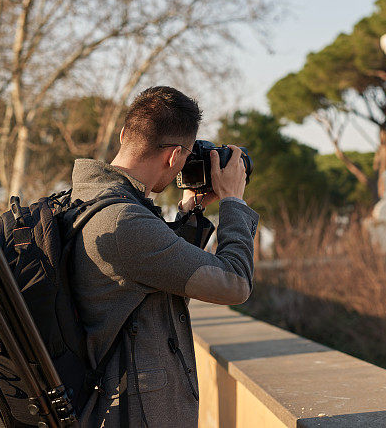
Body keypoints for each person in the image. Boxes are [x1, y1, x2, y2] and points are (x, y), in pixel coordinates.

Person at [71, 86, 258, 427]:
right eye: (184, 158)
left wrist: (192, 207)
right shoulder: (124, 220)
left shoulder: (83, 200)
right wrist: (234, 202)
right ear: (173, 157)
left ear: (125, 133)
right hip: (134, 414)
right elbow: (234, 283)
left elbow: (150, 268)